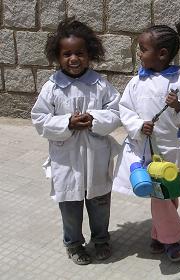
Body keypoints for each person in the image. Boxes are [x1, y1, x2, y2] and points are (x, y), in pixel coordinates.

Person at [31, 18, 121, 265]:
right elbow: (39, 119)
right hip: (66, 161)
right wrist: (66, 123)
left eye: (79, 53)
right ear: (57, 57)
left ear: (89, 54)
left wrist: (94, 119)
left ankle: (101, 239)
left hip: (96, 159)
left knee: (100, 204)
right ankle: (73, 244)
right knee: (70, 207)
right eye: (67, 54)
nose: (73, 59)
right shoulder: (52, 88)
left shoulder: (100, 84)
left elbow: (115, 113)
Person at [112, 22, 180, 262]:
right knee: (159, 195)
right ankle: (171, 239)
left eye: (142, 49)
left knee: (170, 193)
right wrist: (140, 126)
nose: (138, 53)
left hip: (173, 150)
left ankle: (158, 233)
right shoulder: (136, 83)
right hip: (146, 151)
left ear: (161, 54)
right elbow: (125, 110)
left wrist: (178, 106)